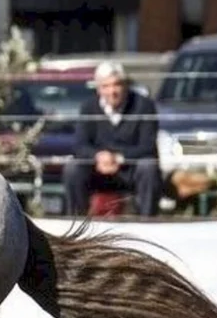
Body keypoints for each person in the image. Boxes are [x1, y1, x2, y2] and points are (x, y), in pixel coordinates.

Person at [63, 61, 163, 217]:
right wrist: (98, 156)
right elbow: (79, 145)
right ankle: (75, 223)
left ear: (125, 85)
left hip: (130, 169)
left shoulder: (144, 106)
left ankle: (148, 220)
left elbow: (148, 145)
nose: (112, 91)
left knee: (148, 166)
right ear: (98, 88)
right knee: (73, 168)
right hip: (98, 170)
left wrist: (118, 158)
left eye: (116, 85)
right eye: (105, 86)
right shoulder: (88, 107)